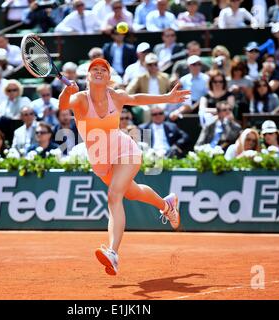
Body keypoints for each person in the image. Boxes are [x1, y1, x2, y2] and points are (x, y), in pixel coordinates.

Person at [58, 57, 190, 275]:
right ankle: (167, 205)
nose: (98, 72)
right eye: (94, 69)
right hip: (100, 159)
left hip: (124, 150)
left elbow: (137, 98)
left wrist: (167, 97)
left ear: (109, 77)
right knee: (133, 192)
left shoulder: (116, 96)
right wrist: (66, 93)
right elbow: (63, 105)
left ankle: (113, 252)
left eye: (103, 69)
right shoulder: (80, 99)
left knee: (114, 195)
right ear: (88, 76)